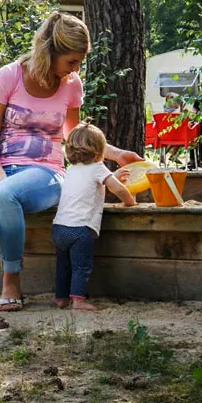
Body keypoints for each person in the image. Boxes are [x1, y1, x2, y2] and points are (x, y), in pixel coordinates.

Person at [0, 11, 142, 331]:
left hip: (45, 173)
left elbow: (74, 136)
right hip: (2, 169)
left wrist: (115, 155)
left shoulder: (71, 85)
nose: (76, 70)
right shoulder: (9, 76)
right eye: (72, 61)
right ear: (51, 52)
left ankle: (11, 282)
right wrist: (1, 175)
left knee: (4, 195)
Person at [52, 122, 137, 312]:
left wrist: (113, 175)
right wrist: (130, 202)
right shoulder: (98, 168)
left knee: (63, 265)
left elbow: (90, 185)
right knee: (81, 266)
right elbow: (118, 189)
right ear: (99, 150)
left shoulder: (71, 170)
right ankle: (78, 301)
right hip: (80, 229)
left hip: (59, 228)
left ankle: (61, 298)